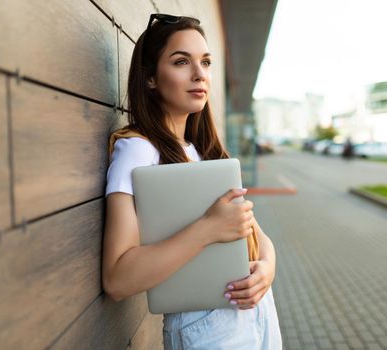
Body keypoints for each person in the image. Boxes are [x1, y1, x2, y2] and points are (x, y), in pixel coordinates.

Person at [102, 14, 282, 349]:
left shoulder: (204, 151)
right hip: (208, 328)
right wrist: (208, 229)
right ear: (151, 78)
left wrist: (267, 270)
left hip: (258, 315)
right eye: (181, 61)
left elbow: (259, 236)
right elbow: (117, 278)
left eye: (206, 62)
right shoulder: (138, 150)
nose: (199, 74)